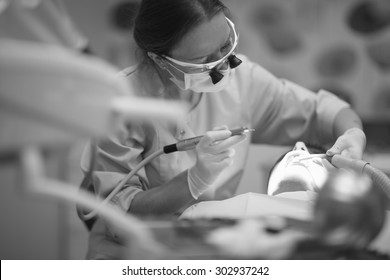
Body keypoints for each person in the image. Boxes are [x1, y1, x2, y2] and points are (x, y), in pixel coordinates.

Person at [79, 0, 366, 259]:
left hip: (205, 249)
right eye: (205, 62)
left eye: (227, 46)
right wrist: (193, 181)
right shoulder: (120, 103)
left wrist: (352, 134)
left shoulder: (243, 82)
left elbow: (321, 112)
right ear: (159, 59)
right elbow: (115, 213)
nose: (224, 66)